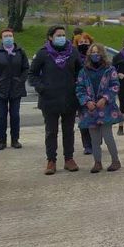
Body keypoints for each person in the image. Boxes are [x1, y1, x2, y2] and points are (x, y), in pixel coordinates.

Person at [29, 25, 83, 175]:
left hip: (69, 98)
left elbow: (80, 71)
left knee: (69, 131)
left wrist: (78, 85)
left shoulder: (73, 52)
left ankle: (69, 159)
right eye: (58, 35)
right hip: (49, 99)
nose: (62, 38)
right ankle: (51, 160)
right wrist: (42, 88)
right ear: (50, 37)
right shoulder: (43, 53)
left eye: (63, 35)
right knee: (51, 132)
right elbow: (32, 74)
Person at [76, 43, 123, 173]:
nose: (95, 55)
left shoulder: (109, 69)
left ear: (102, 54)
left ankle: (115, 160)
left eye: (97, 52)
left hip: (106, 109)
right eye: (92, 52)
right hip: (90, 109)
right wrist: (86, 101)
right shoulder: (84, 71)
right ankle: (97, 162)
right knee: (94, 139)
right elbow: (79, 88)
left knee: (108, 136)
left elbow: (115, 86)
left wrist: (105, 98)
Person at [0, 28, 29, 150]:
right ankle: (2, 141)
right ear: (1, 39)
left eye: (10, 35)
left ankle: (15, 140)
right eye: (6, 36)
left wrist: (20, 80)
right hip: (0, 89)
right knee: (1, 116)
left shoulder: (20, 52)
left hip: (16, 89)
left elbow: (26, 68)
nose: (8, 38)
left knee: (15, 115)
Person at [74, 32, 95, 155]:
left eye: (86, 42)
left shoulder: (95, 57)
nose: (83, 44)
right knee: (84, 120)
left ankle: (96, 141)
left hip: (95, 92)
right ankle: (87, 145)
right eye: (80, 42)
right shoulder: (74, 58)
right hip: (81, 92)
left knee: (97, 118)